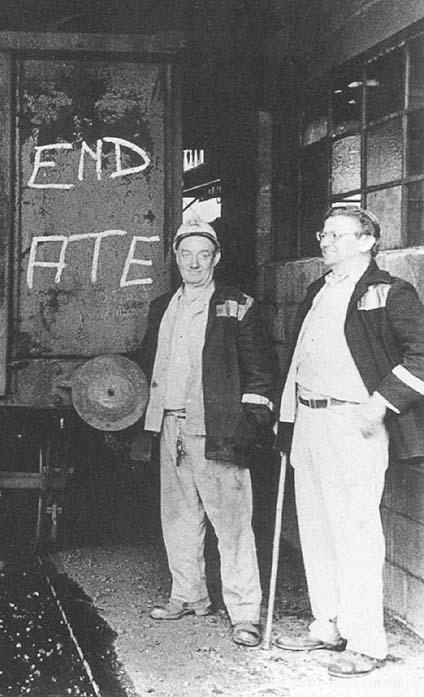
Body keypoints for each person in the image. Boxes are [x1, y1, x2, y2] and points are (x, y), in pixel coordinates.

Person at [274, 206, 424, 677]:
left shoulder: (390, 292)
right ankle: (328, 625)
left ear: (367, 241)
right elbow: (300, 359)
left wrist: (381, 403)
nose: (326, 242)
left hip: (354, 423)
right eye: (324, 234)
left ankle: (367, 642)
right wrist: (288, 418)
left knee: (355, 533)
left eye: (338, 235)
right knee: (316, 529)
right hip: (311, 420)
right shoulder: (318, 290)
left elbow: (422, 354)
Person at [139, 219, 276, 648]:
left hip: (219, 431)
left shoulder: (237, 305)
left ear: (216, 258)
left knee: (232, 526)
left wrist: (246, 428)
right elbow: (149, 365)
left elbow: (261, 375)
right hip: (171, 426)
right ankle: (189, 595)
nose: (194, 262)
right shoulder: (162, 306)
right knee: (178, 519)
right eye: (186, 254)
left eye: (204, 254)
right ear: (176, 258)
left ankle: (244, 614)